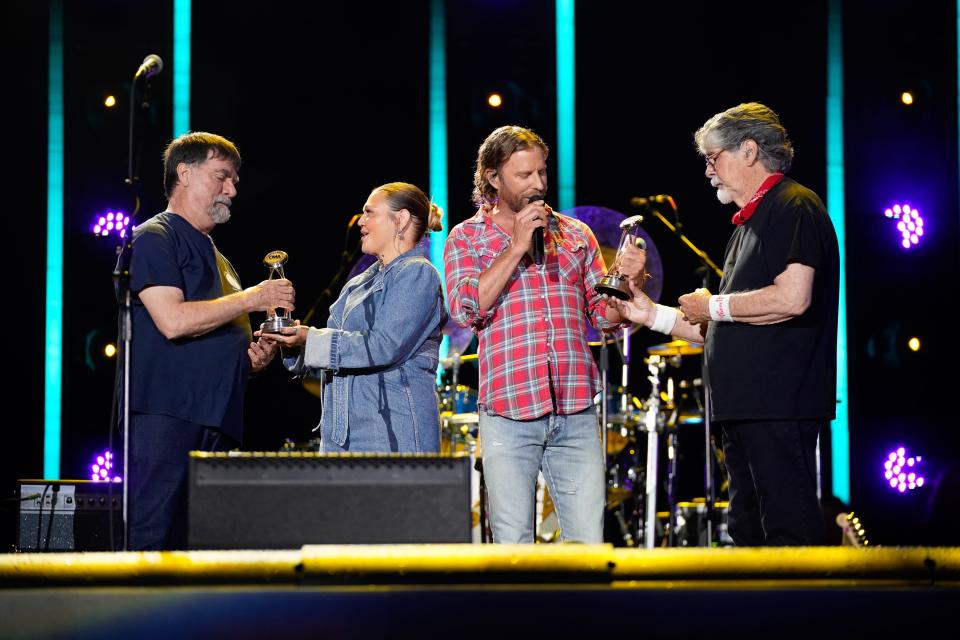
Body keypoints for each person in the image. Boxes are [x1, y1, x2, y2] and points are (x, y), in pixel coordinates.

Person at [607, 103, 839, 546]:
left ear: (749, 150)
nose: (708, 171)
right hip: (745, 407)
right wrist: (648, 314)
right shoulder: (747, 225)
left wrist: (713, 306)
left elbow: (792, 298)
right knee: (748, 530)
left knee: (787, 529)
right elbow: (721, 323)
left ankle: (808, 613)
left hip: (777, 402)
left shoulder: (794, 206)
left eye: (713, 158)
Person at [443, 125, 646, 543]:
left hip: (574, 409)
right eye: (524, 175)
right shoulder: (466, 237)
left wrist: (626, 286)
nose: (538, 184)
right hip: (508, 412)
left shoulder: (574, 234)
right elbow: (465, 309)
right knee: (514, 546)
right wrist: (516, 246)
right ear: (493, 178)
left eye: (542, 173)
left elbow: (603, 318)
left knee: (587, 543)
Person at [126, 131, 295, 550]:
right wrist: (256, 297)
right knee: (153, 543)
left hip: (217, 420)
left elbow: (217, 336)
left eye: (235, 180)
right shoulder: (154, 236)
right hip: (167, 417)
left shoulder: (220, 258)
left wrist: (251, 359)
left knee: (200, 550)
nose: (232, 189)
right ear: (184, 172)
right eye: (222, 176)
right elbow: (172, 320)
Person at [262, 182, 447, 453]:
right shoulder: (359, 283)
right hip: (342, 437)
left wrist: (311, 339)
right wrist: (295, 344)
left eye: (370, 213)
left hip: (392, 435)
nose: (361, 221)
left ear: (401, 219)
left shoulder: (418, 273)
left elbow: (383, 346)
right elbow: (336, 358)